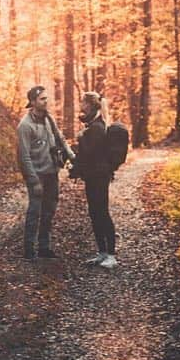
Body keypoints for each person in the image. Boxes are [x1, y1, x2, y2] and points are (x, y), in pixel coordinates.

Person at [16, 85, 74, 260]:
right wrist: (33, 181)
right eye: (42, 99)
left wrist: (72, 155)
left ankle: (44, 247)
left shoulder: (49, 118)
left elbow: (60, 138)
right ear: (33, 102)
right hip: (37, 175)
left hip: (52, 173)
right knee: (34, 211)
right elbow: (24, 156)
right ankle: (29, 251)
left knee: (49, 211)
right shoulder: (25, 126)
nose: (46, 101)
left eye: (46, 98)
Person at [70, 91, 118, 269]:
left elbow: (89, 153)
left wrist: (79, 140)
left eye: (82, 102)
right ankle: (102, 252)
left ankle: (111, 254)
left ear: (90, 105)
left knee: (102, 212)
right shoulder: (91, 125)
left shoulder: (97, 127)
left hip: (99, 176)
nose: (80, 106)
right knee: (94, 212)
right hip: (92, 176)